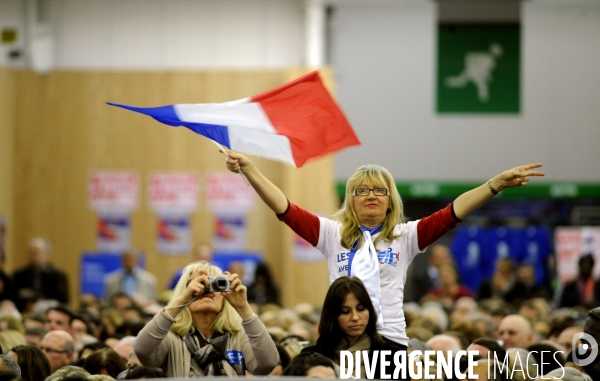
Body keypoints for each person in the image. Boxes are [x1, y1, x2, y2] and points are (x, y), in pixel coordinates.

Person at [224, 149, 544, 347]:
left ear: (391, 199)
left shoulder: (406, 237)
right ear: (350, 199)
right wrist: (250, 170)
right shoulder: (331, 235)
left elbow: (453, 213)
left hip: (391, 342)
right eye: (361, 190)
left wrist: (495, 185)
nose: (371, 195)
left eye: (380, 189)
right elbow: (285, 209)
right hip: (343, 344)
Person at [133, 260, 278, 377]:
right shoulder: (170, 337)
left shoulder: (238, 336)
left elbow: (267, 364)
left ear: (226, 292)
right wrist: (180, 302)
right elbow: (142, 350)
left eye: (216, 284)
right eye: (199, 284)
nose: (207, 291)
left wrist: (243, 308)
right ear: (185, 292)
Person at [301, 276, 399, 378]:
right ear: (332, 315)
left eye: (361, 309)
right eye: (345, 311)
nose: (355, 317)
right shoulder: (310, 357)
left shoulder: (392, 356)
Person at [13, 237, 70, 310]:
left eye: (37, 252)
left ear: (48, 255)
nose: (34, 255)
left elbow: (62, 302)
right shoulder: (19, 275)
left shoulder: (58, 276)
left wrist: (38, 306)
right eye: (31, 252)